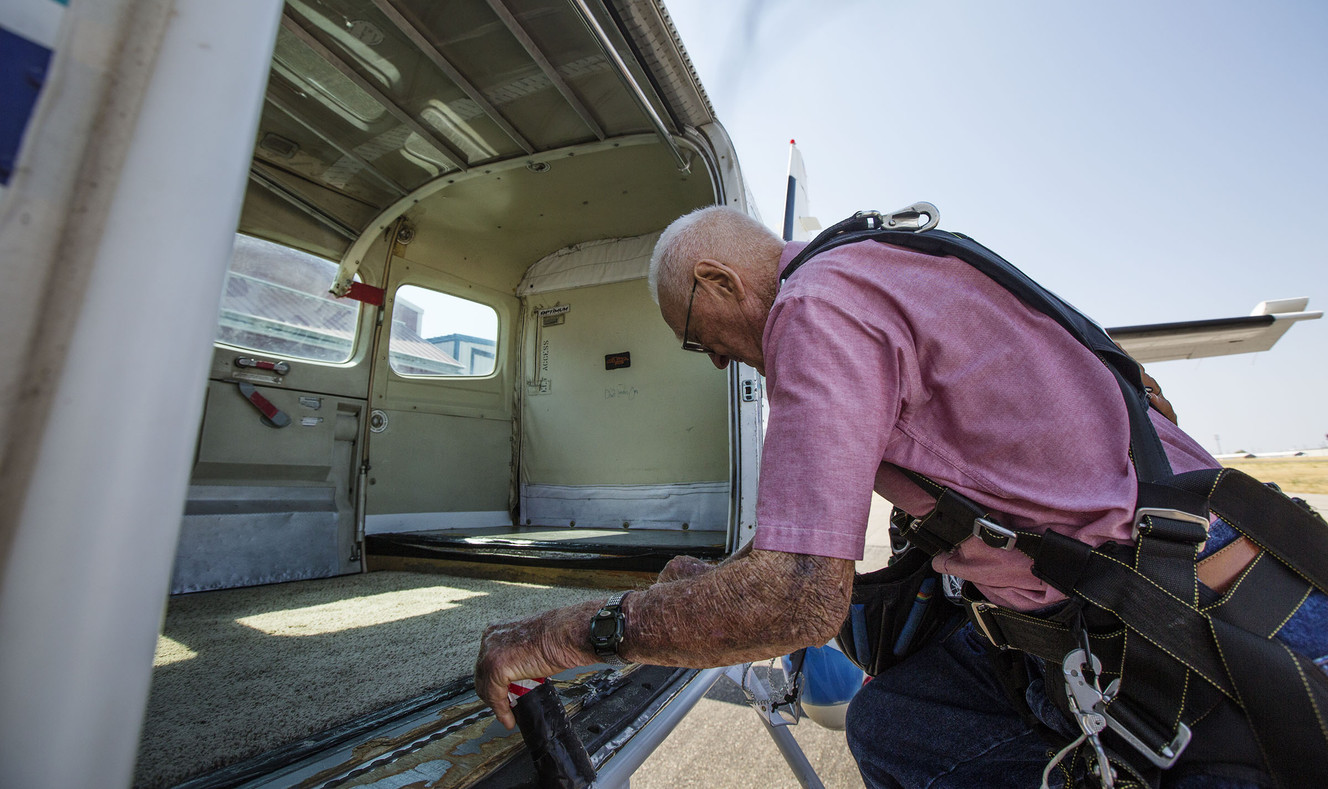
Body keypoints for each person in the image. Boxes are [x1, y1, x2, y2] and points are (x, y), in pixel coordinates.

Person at [476, 206, 1323, 788]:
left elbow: (798, 599)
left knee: (893, 726)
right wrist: (711, 585)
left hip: (1210, 645)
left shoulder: (814, 308)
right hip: (1261, 575)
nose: (722, 363)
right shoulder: (902, 261)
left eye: (704, 344)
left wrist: (566, 634)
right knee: (896, 717)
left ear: (722, 282)